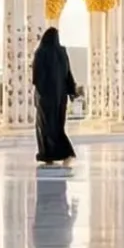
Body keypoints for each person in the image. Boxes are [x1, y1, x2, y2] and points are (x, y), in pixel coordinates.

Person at [30, 27, 80, 166]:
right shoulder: (62, 52)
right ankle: (63, 154)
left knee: (45, 126)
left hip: (45, 97)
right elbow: (67, 73)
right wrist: (72, 91)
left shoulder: (41, 52)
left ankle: (50, 155)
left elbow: (36, 77)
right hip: (60, 98)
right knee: (57, 126)